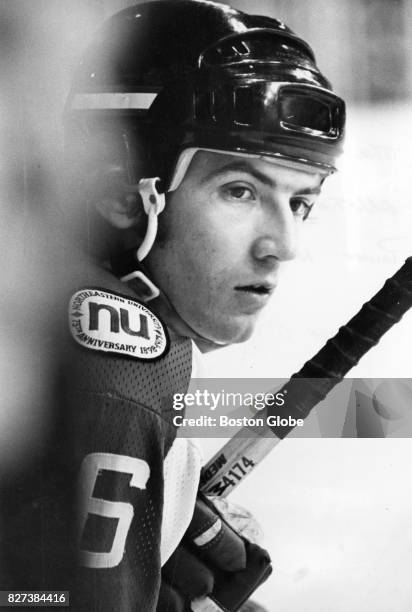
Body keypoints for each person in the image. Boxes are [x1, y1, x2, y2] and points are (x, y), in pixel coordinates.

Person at [2, 1, 345, 610]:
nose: (282, 247)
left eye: (300, 203)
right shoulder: (125, 366)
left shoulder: (48, 305)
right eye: (239, 191)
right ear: (120, 194)